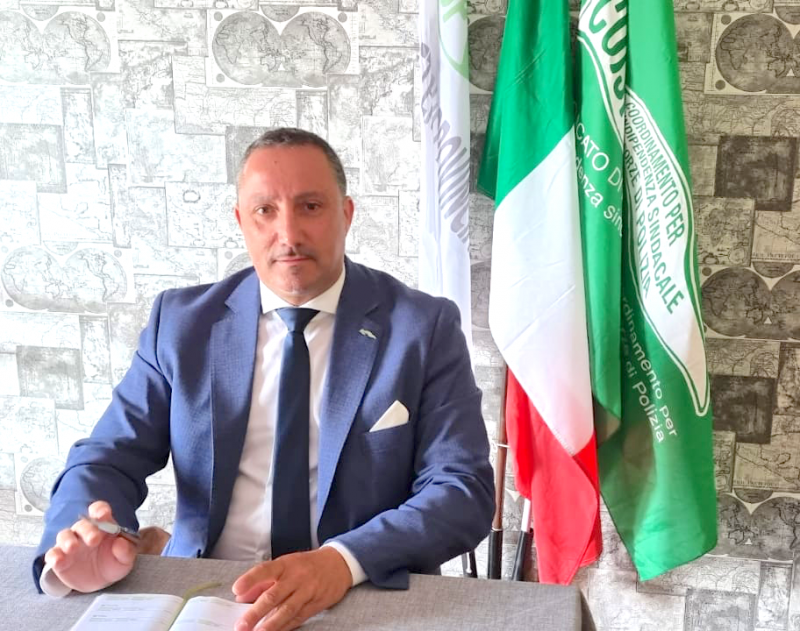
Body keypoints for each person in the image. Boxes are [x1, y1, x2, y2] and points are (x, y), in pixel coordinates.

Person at [33, 128, 494, 631]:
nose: (288, 234)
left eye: (310, 207)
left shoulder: (422, 329)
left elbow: (461, 488)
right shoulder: (182, 323)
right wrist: (86, 535)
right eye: (265, 211)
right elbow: (107, 456)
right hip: (207, 595)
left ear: (346, 214)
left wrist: (343, 561)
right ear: (241, 221)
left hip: (357, 594)